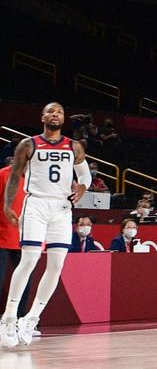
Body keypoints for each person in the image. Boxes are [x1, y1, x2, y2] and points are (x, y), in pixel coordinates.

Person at [0, 101, 91, 347]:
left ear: (64, 118)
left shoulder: (74, 147)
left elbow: (85, 175)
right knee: (29, 259)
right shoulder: (28, 144)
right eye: (50, 111)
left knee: (57, 264)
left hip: (61, 208)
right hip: (35, 205)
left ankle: (31, 318)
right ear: (42, 117)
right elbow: (15, 176)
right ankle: (9, 317)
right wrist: (8, 205)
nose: (55, 114)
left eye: (60, 111)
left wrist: (82, 186)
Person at [0, 157, 32, 322]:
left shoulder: (35, 179)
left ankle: (19, 319)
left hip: (27, 238)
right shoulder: (4, 174)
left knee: (25, 280)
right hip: (2, 237)